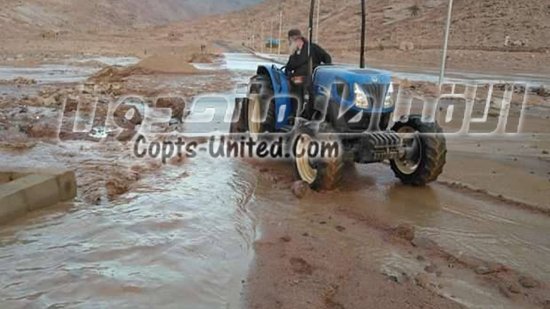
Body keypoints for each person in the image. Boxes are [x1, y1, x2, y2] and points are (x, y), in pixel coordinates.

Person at [285, 29, 332, 119]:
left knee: (297, 85)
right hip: (299, 78)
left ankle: (297, 113)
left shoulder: (312, 48)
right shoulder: (295, 52)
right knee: (292, 82)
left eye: (290, 40)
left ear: (293, 39)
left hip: (311, 77)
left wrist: (326, 68)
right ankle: (296, 112)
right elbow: (289, 66)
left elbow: (326, 57)